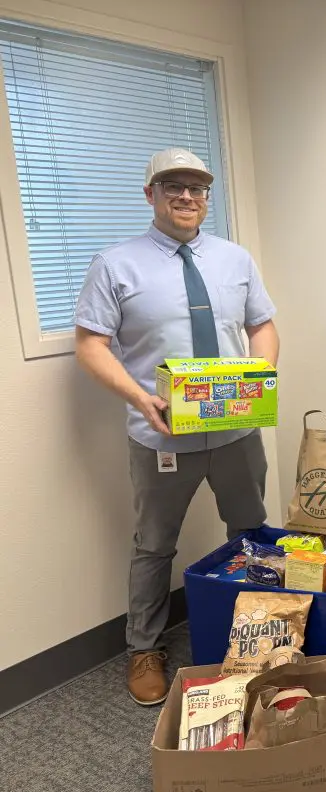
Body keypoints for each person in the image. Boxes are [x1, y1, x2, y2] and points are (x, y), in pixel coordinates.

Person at [74, 148, 279, 706]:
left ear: (206, 197)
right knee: (154, 545)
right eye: (173, 186)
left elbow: (262, 325)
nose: (186, 196)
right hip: (161, 437)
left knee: (252, 531)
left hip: (237, 431)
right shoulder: (116, 264)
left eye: (196, 187)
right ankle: (144, 648)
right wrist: (139, 398)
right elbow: (90, 344)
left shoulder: (235, 259)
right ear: (151, 194)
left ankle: (260, 632)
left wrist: (259, 374)